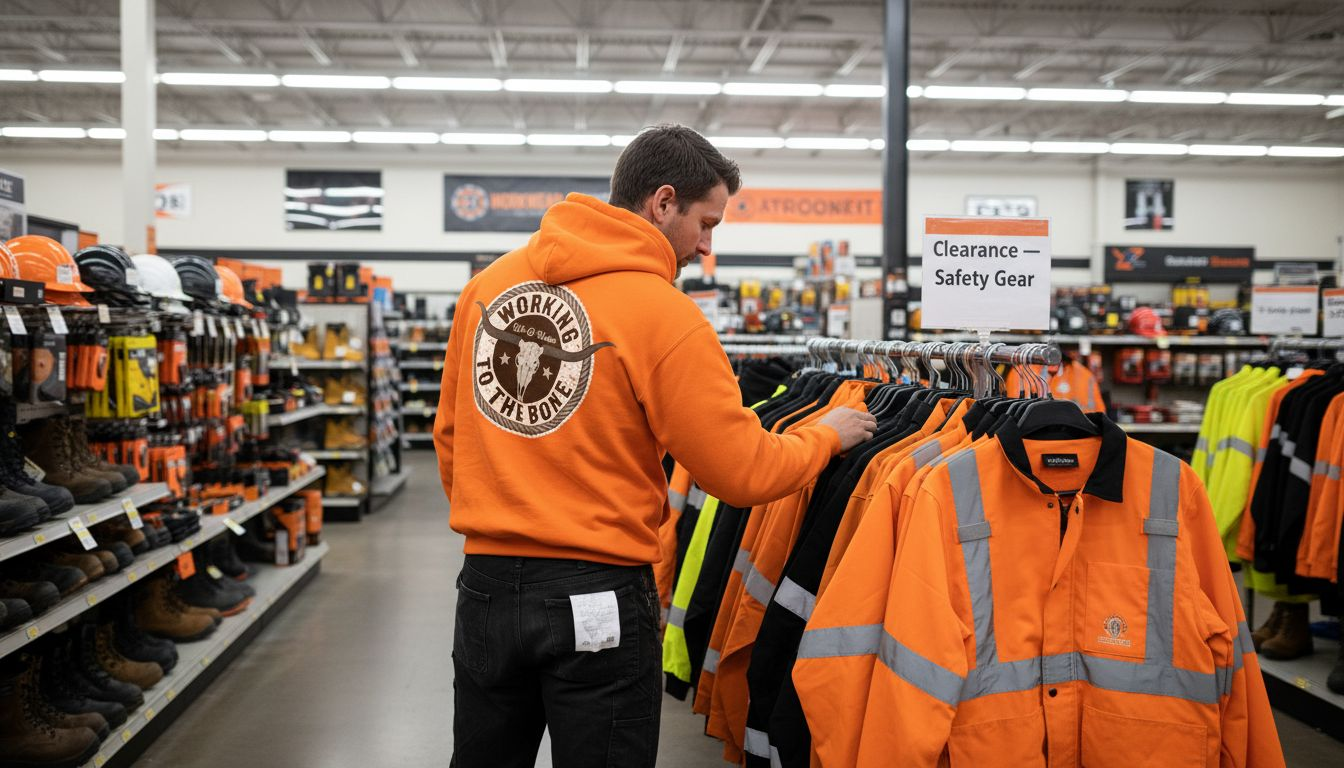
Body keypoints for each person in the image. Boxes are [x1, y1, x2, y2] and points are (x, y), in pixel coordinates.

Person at [434, 124, 877, 768]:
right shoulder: (664, 315)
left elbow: (451, 436)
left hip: (486, 586)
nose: (706, 244)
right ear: (663, 202)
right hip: (598, 591)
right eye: (706, 223)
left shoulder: (487, 287)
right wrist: (825, 435)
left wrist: (506, 512)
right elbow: (742, 472)